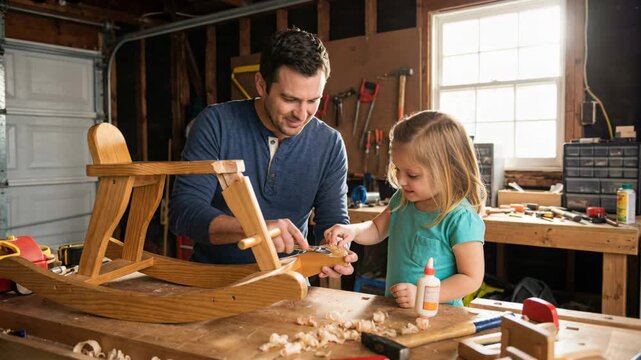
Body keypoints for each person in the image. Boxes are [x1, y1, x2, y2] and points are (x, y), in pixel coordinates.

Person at [170, 27, 355, 277]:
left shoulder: (330, 144)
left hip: (287, 284)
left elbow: (332, 222)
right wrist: (256, 229)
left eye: (313, 101)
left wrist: (338, 245)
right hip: (212, 281)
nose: (302, 114)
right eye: (289, 99)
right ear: (261, 84)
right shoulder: (216, 124)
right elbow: (184, 212)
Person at [324, 110, 486, 306]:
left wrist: (423, 294)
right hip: (396, 310)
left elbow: (471, 278)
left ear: (448, 171)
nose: (400, 180)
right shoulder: (403, 199)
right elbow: (376, 229)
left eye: (413, 174)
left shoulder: (461, 218)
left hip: (438, 318)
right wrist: (351, 230)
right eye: (397, 169)